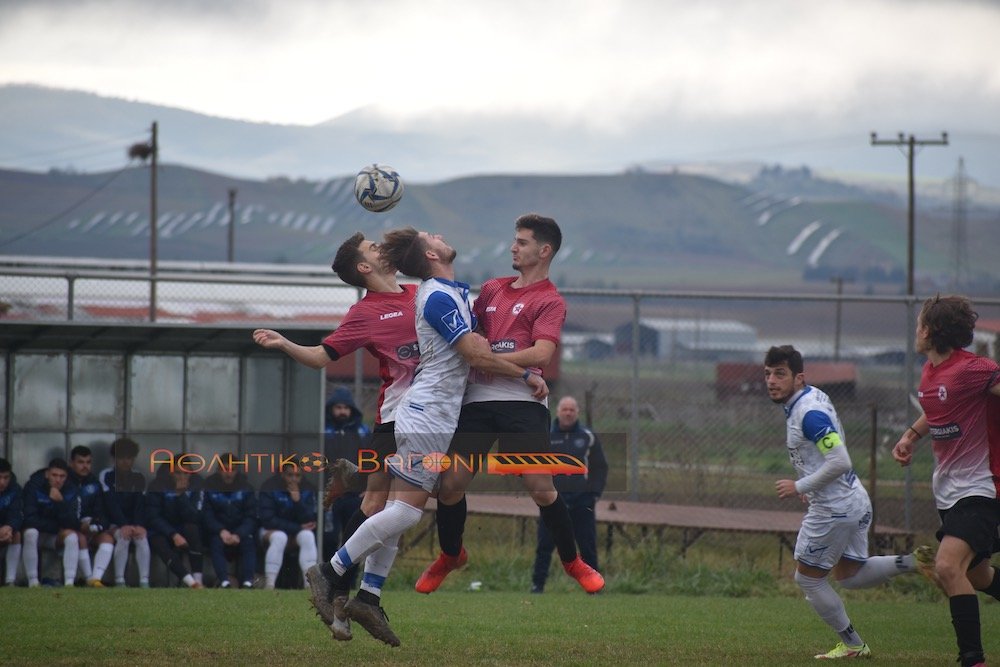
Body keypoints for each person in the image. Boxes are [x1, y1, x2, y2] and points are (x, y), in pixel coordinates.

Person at [314, 227, 548, 646]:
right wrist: (526, 373)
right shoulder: (437, 296)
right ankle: (331, 572)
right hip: (425, 417)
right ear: (431, 255)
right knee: (403, 512)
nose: (439, 235)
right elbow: (475, 354)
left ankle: (367, 595)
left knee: (398, 510)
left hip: (432, 415)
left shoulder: (449, 291)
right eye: (431, 236)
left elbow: (476, 344)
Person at [416, 214, 603, 596]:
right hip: (478, 401)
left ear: (544, 250)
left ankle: (572, 562)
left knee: (540, 487)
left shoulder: (550, 300)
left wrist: (495, 360)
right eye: (514, 241)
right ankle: (451, 555)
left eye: (521, 242)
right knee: (448, 486)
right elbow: (472, 341)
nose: (513, 248)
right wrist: (491, 357)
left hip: (523, 402)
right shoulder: (492, 289)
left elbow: (542, 353)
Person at [253, 231, 420, 640]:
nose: (382, 249)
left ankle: (347, 599)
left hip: (427, 415)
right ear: (364, 268)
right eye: (373, 249)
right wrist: (285, 342)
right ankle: (340, 585)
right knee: (386, 505)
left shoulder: (418, 292)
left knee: (383, 506)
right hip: (396, 416)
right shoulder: (364, 313)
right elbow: (321, 356)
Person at [765, 344, 925, 660]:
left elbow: (839, 460)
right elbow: (824, 458)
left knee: (807, 579)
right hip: (853, 499)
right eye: (768, 374)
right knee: (849, 575)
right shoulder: (809, 397)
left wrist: (800, 483)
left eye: (779, 374)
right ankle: (914, 562)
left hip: (833, 508)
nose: (771, 380)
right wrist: (810, 483)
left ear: (799, 378)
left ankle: (853, 644)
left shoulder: (808, 413)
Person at [891, 295, 1000, 667]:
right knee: (979, 575)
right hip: (949, 494)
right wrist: (911, 435)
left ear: (932, 331)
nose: (916, 330)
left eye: (920, 323)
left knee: (948, 567)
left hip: (981, 487)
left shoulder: (972, 369)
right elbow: (940, 409)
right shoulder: (931, 371)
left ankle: (972, 660)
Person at [531, 395, 608, 593]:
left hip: (582, 502)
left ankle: (594, 588)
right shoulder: (545, 434)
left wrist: (593, 494)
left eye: (572, 410)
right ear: (557, 411)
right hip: (554, 501)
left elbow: (601, 467)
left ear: (577, 413)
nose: (568, 413)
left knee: (587, 545)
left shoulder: (588, 436)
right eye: (564, 409)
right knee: (544, 545)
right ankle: (537, 586)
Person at [321, 387, 369, 565]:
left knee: (353, 540)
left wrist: (369, 487)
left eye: (346, 408)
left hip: (355, 496)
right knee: (328, 538)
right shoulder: (323, 431)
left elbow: (372, 459)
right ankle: (328, 573)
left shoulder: (362, 432)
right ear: (331, 408)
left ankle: (348, 580)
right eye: (338, 407)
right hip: (330, 495)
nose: (342, 412)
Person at [21, 458, 82, 587]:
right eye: (54, 475)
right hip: (38, 533)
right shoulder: (34, 486)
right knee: (30, 532)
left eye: (62, 476)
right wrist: (56, 527)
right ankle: (33, 582)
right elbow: (29, 519)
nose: (58, 480)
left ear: (66, 477)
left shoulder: (71, 489)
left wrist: (60, 502)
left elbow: (74, 523)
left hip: (54, 537)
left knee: (72, 536)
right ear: (47, 474)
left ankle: (69, 583)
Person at [99, 437, 150, 587]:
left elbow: (140, 504)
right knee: (123, 537)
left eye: (129, 458)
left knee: (142, 538)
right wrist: (122, 525)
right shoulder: (106, 475)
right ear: (114, 458)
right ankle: (119, 580)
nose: (125, 462)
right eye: (121, 458)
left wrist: (139, 525)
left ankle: (144, 581)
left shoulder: (139, 477)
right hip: (114, 523)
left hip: (133, 523)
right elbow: (110, 503)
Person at [145, 461, 205, 588]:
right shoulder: (157, 485)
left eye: (186, 473)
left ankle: (198, 579)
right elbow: (153, 517)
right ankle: (191, 582)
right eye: (178, 473)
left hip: (183, 527)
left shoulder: (196, 484)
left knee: (193, 529)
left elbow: (195, 517)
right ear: (170, 473)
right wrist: (173, 534)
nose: (182, 477)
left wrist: (181, 495)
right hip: (161, 529)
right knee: (158, 541)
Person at [258, 463, 318, 589]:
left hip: (295, 532)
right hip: (271, 531)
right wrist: (298, 528)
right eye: (290, 475)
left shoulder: (308, 489)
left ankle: (309, 584)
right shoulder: (269, 486)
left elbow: (310, 520)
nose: (294, 479)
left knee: (308, 536)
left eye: (297, 475)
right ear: (282, 474)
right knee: (280, 537)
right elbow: (268, 520)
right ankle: (269, 584)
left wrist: (297, 501)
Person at [202, 455, 257, 588]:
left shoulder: (246, 488)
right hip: (219, 532)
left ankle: (248, 582)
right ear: (218, 470)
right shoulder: (209, 487)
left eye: (232, 469)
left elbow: (251, 516)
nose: (228, 473)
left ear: (237, 470)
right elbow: (206, 515)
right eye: (225, 469)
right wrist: (221, 530)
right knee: (215, 542)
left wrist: (239, 533)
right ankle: (224, 582)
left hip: (240, 532)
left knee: (249, 543)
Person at [68, 445, 115, 587]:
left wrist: (98, 524)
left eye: (88, 462)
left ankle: (96, 579)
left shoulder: (94, 483)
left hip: (88, 528)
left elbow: (102, 510)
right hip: (67, 529)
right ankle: (86, 578)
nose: (85, 466)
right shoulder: (64, 481)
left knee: (107, 539)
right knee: (78, 538)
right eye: (81, 462)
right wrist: (78, 525)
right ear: (72, 463)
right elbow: (61, 512)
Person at [0, 457, 23, 586]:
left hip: (5, 533)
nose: (2, 482)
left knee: (16, 534)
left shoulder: (15, 490)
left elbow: (18, 513)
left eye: (6, 477)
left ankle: (10, 581)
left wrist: (9, 527)